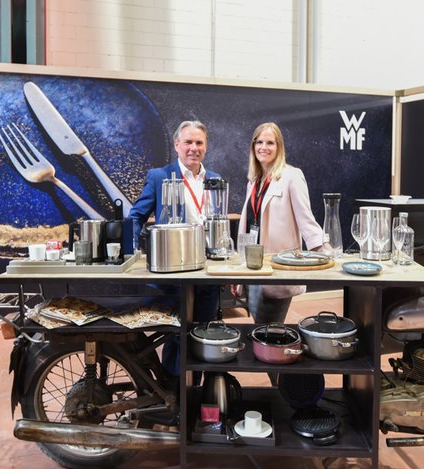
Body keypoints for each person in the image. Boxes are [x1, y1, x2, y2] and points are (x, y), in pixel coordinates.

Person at [129, 120, 221, 375]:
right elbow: (136, 216)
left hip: (208, 271)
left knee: (203, 332)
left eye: (199, 143)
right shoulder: (159, 176)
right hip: (174, 272)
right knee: (176, 335)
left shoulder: (214, 179)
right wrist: (130, 250)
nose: (194, 148)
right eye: (188, 142)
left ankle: (196, 389)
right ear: (176, 144)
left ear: (206, 146)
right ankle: (172, 388)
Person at [231, 122, 327, 324]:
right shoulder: (253, 181)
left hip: (278, 267)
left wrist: (326, 253)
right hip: (253, 267)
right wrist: (238, 272)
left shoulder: (292, 176)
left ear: (279, 147)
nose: (263, 147)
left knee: (270, 328)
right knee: (259, 326)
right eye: (259, 142)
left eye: (270, 143)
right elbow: (249, 225)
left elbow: (306, 220)